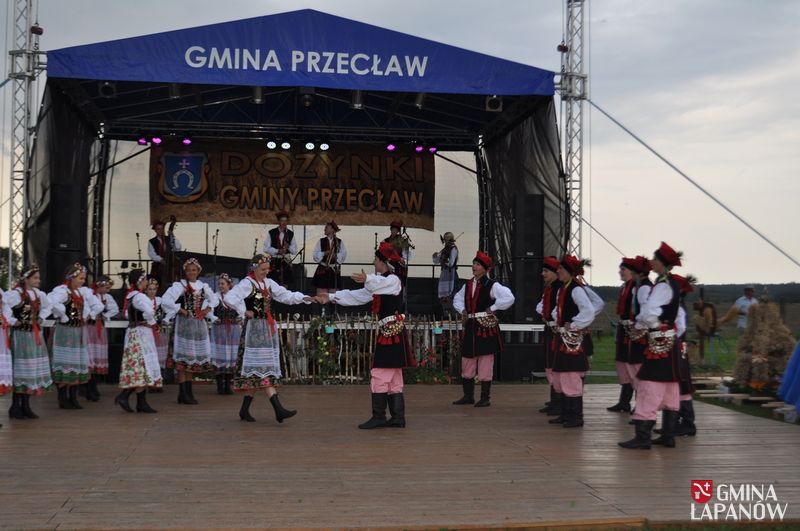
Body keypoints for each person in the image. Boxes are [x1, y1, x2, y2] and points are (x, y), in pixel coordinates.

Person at [320, 242, 415, 429]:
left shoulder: (393, 280)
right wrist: (329, 297)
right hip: (390, 331)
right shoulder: (379, 285)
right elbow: (356, 296)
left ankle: (379, 416)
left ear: (383, 262)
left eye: (376, 259)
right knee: (394, 377)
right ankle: (397, 417)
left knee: (379, 373)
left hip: (392, 332)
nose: (373, 262)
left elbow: (380, 284)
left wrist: (367, 278)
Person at [224, 253, 311, 423]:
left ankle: (244, 410)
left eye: (267, 269)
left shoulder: (269, 283)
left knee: (258, 369)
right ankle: (278, 410)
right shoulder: (247, 283)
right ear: (254, 268)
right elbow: (229, 298)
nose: (266, 271)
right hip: (254, 330)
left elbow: (286, 295)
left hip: (266, 327)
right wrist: (244, 311)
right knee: (263, 368)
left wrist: (305, 298)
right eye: (263, 269)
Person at [619, 242, 685, 450]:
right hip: (670, 341)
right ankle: (668, 434)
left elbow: (648, 312)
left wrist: (648, 324)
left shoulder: (663, 285)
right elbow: (678, 316)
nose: (652, 262)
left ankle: (643, 436)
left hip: (659, 341)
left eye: (655, 259)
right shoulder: (671, 283)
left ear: (662, 263)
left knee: (650, 385)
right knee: (670, 387)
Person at [451, 251, 515, 408]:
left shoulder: (492, 285)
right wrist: (462, 310)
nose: (474, 266)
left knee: (486, 360)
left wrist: (493, 307)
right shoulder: (468, 284)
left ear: (486, 269)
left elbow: (509, 298)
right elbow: (457, 299)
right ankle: (468, 396)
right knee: (467, 359)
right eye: (474, 263)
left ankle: (485, 397)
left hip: (485, 327)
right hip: (471, 325)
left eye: (478, 264)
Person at [548, 255, 604, 428]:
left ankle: (576, 416)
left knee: (571, 375)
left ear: (569, 271)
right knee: (562, 375)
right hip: (563, 337)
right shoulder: (564, 289)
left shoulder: (576, 289)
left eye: (561, 269)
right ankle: (566, 413)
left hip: (571, 340)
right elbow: (557, 311)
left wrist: (574, 324)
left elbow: (588, 311)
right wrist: (558, 321)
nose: (558, 271)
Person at [161, 258, 219, 405]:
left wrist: (206, 309)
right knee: (184, 360)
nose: (191, 272)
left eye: (194, 270)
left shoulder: (203, 286)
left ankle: (187, 392)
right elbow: (166, 300)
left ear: (198, 271)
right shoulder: (180, 285)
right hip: (184, 325)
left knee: (192, 359)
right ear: (185, 272)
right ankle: (183, 393)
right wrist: (181, 310)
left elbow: (214, 300)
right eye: (188, 270)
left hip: (198, 325)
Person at [48, 263, 103, 410]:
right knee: (65, 363)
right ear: (71, 278)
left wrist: (88, 315)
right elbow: (52, 303)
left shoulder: (83, 292)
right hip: (65, 331)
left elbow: (98, 305)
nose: (82, 281)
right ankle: (62, 398)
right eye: (80, 278)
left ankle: (73, 397)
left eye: (84, 278)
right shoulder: (62, 291)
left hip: (78, 331)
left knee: (76, 362)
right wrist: (63, 315)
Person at [3, 264, 53, 420]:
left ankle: (25, 405)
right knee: (21, 369)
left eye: (38, 278)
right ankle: (15, 406)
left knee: (32, 370)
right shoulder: (14, 294)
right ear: (26, 279)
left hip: (35, 335)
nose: (39, 280)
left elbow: (48, 307)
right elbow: (4, 308)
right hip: (21, 336)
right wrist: (13, 321)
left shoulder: (39, 294)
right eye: (35, 278)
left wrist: (41, 317)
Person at [607, 256, 652, 413]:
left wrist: (638, 326)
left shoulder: (638, 287)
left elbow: (643, 309)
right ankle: (624, 402)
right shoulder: (627, 286)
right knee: (623, 364)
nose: (620, 272)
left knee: (635, 366)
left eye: (623, 269)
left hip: (635, 330)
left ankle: (641, 405)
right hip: (625, 329)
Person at [115, 269, 161, 413]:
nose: (146, 282)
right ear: (140, 281)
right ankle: (127, 397)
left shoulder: (131, 296)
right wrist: (152, 321)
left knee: (140, 367)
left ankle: (140, 402)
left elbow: (127, 314)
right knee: (142, 365)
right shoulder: (140, 297)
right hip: (141, 334)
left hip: (134, 333)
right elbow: (149, 311)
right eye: (145, 279)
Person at [84, 275, 119, 402]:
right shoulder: (89, 295)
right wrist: (90, 315)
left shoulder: (106, 297)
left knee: (97, 356)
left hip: (99, 328)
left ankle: (93, 386)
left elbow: (115, 309)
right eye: (106, 287)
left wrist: (105, 316)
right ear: (99, 285)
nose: (107, 290)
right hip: (89, 327)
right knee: (89, 356)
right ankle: (87, 387)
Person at [536, 256, 562, 416]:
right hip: (550, 329)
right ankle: (555, 400)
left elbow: (560, 308)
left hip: (557, 331)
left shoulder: (560, 288)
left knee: (555, 364)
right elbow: (540, 306)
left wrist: (551, 316)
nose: (543, 274)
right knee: (549, 364)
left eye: (546, 271)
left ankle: (559, 401)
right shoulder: (549, 288)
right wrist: (545, 314)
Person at [210, 273, 240, 395]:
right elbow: (208, 310)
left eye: (223, 284)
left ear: (229, 285)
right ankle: (219, 385)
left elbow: (241, 310)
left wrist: (240, 317)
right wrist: (213, 318)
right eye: (219, 284)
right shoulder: (215, 297)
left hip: (233, 329)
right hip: (219, 330)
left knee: (231, 356)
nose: (220, 286)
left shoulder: (235, 297)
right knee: (220, 356)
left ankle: (228, 384)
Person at [312, 220, 347, 298]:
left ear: (332, 230)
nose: (324, 229)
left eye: (326, 227)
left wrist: (335, 255)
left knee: (334, 294)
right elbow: (315, 255)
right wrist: (324, 253)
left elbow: (344, 254)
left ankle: (332, 305)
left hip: (334, 269)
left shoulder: (339, 242)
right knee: (321, 293)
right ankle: (322, 305)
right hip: (323, 268)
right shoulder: (321, 241)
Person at [264, 210, 297, 287]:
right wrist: (278, 251)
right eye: (282, 221)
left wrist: (288, 247)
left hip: (285, 261)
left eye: (286, 221)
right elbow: (265, 248)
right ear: (279, 222)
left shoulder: (290, 233)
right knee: (272, 283)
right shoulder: (272, 232)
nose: (284, 223)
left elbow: (294, 250)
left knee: (285, 284)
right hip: (274, 261)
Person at [148, 220, 183, 292]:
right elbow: (151, 254)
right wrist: (160, 259)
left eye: (162, 229)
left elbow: (178, 247)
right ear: (155, 230)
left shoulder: (169, 238)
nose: (160, 231)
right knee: (156, 281)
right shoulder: (152, 241)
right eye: (158, 229)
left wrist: (172, 235)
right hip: (158, 265)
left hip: (170, 265)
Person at [432, 232, 459, 314]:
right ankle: (446, 312)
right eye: (445, 239)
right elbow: (436, 261)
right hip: (445, 273)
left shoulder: (453, 249)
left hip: (451, 273)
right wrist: (435, 256)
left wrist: (444, 260)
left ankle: (453, 313)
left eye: (447, 238)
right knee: (444, 295)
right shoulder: (444, 250)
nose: (445, 240)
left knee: (452, 293)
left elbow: (451, 263)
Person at [383, 220, 412, 286]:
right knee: (388, 282)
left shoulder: (402, 240)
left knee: (399, 282)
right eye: (393, 229)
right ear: (390, 229)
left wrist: (402, 258)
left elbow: (406, 255)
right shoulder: (385, 241)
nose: (394, 231)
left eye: (396, 230)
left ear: (398, 231)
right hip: (388, 264)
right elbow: (383, 253)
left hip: (398, 265)